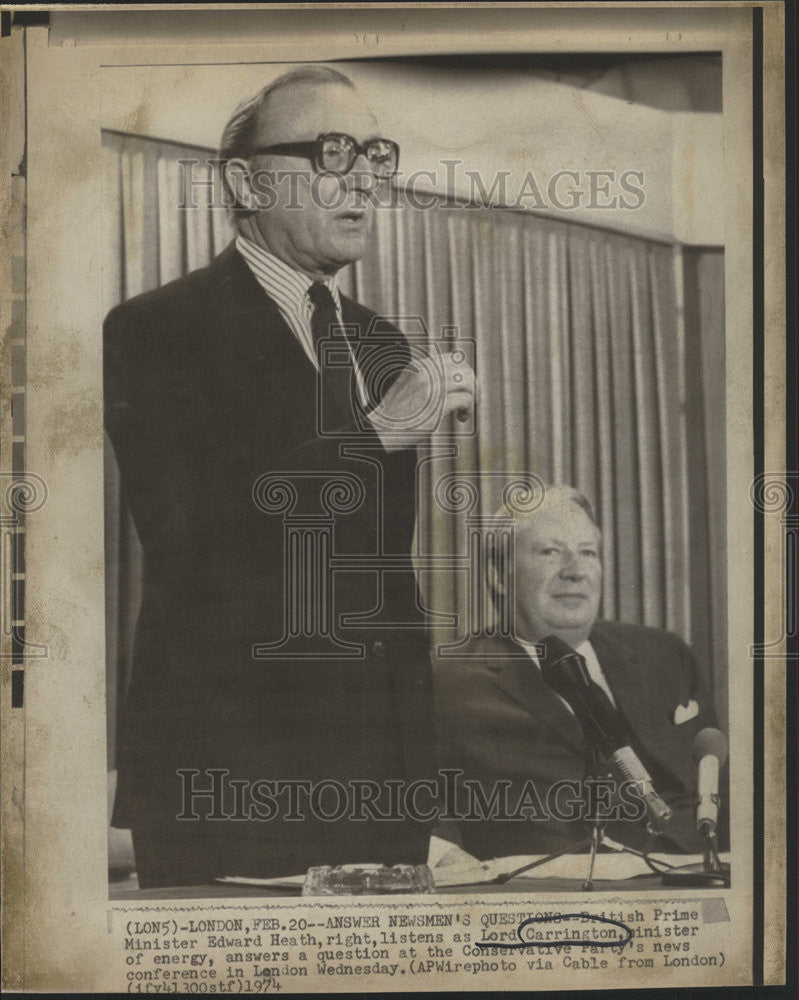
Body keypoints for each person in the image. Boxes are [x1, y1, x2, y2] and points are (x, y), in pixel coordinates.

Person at [104, 66, 476, 887]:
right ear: (245, 180)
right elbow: (189, 542)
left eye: (374, 157)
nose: (363, 183)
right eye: (329, 152)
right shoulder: (157, 330)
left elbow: (382, 574)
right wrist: (375, 433)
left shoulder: (381, 343)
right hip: (232, 773)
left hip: (384, 782)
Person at [435, 485, 727, 860]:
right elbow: (423, 813)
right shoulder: (447, 681)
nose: (575, 571)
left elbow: (717, 782)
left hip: (690, 872)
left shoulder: (665, 654)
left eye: (587, 553)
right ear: (499, 576)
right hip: (549, 889)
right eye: (550, 552)